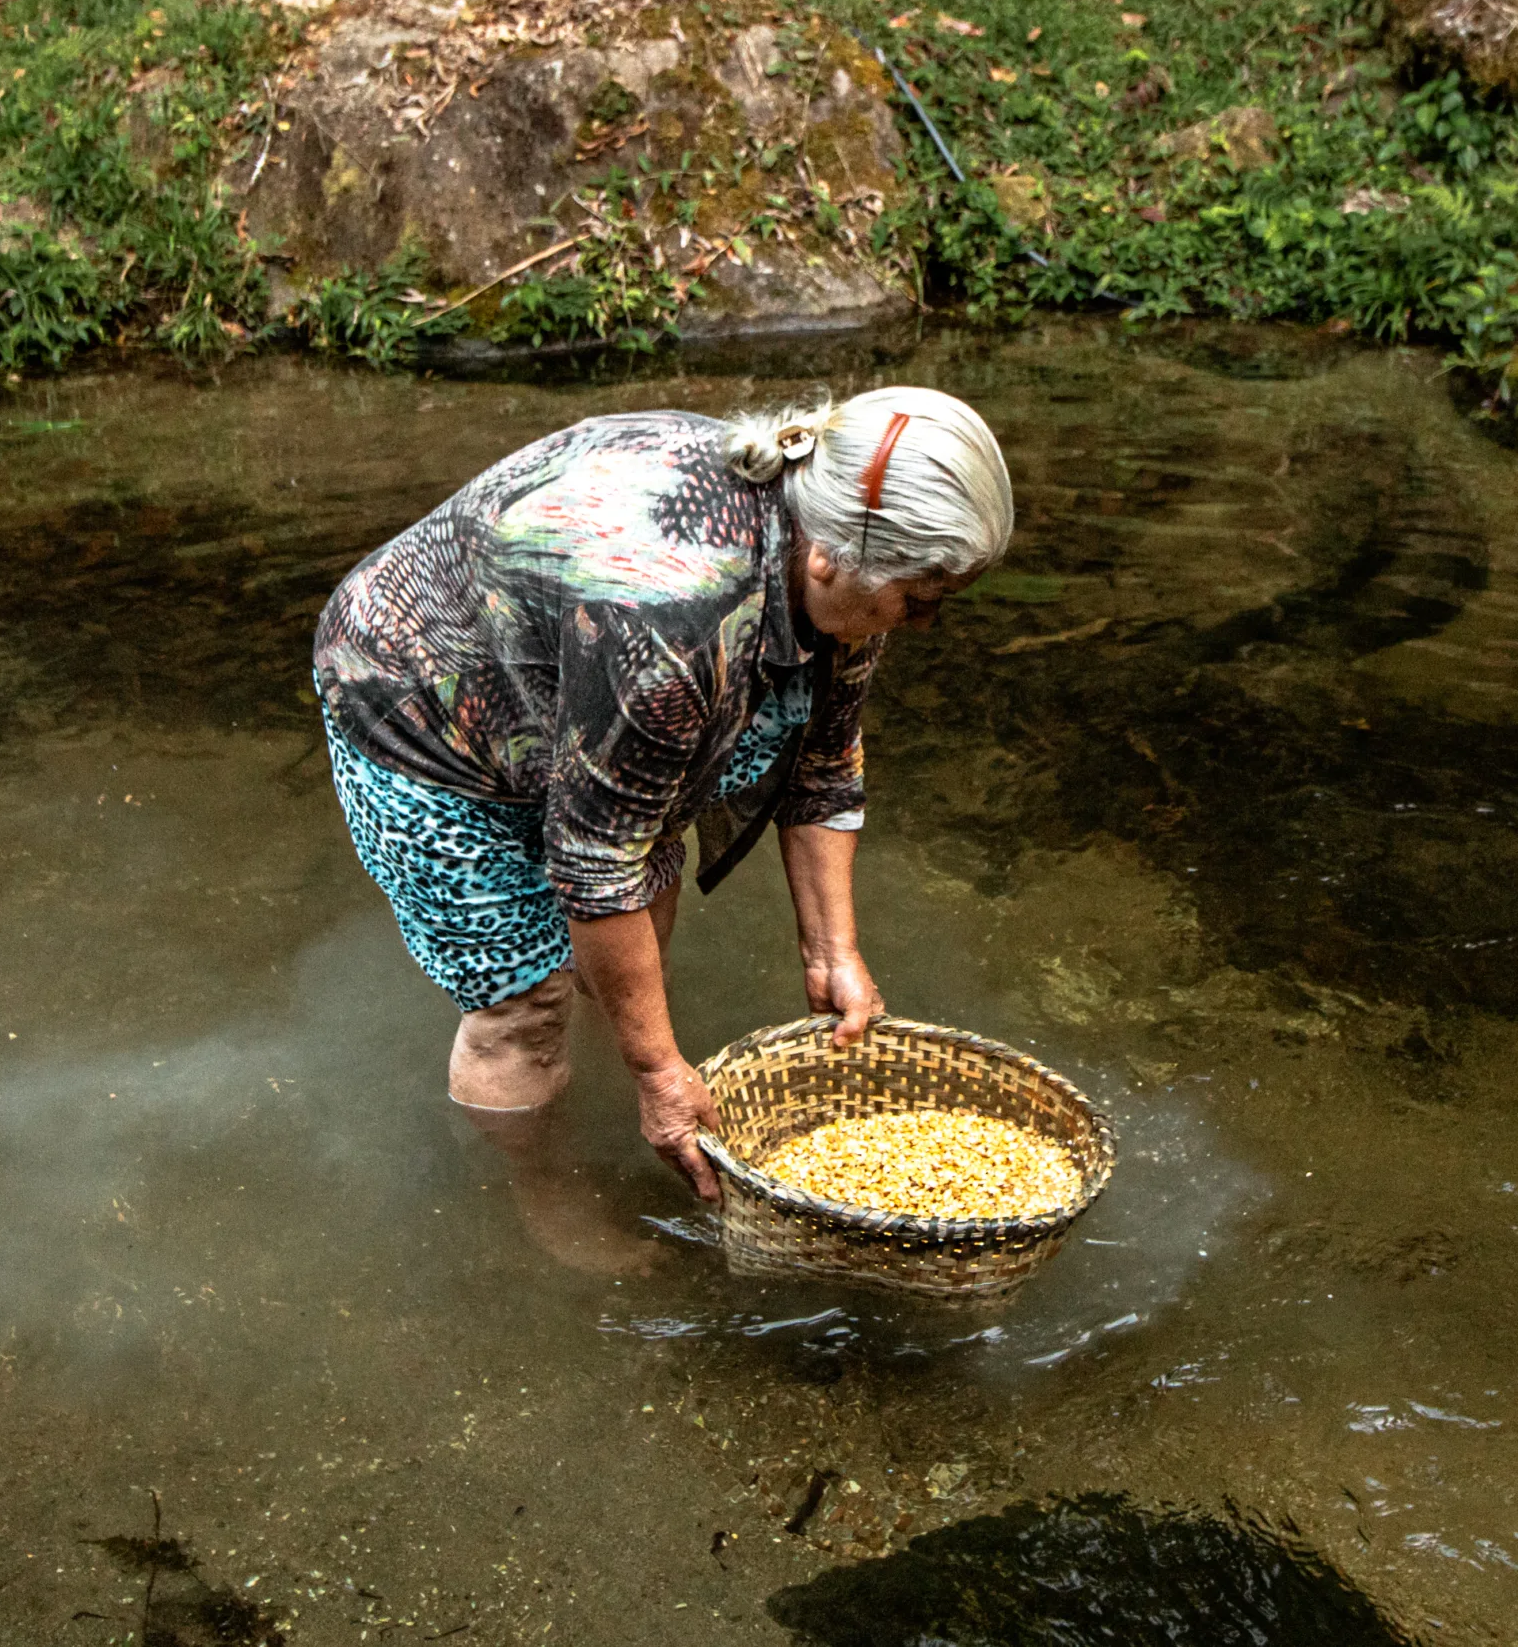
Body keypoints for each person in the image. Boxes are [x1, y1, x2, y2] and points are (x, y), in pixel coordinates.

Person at [312, 386, 1013, 1257]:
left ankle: (616, 1081)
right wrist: (658, 1072)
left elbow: (826, 758)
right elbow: (597, 865)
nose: (928, 623)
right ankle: (545, 1197)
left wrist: (832, 951)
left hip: (583, 678)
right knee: (527, 1004)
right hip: (422, 704)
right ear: (832, 558)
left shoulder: (838, 545)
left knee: (638, 925)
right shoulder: (671, 621)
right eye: (921, 599)